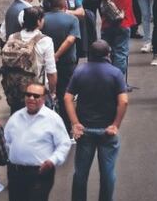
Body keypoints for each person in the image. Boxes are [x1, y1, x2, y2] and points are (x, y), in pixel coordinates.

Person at [64, 41, 129, 201]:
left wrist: (75, 123)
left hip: (85, 130)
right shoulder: (115, 73)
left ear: (90, 55)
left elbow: (67, 98)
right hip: (107, 130)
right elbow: (123, 101)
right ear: (108, 54)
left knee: (81, 173)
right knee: (107, 173)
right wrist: (115, 125)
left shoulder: (80, 71)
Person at [3, 82, 72, 200]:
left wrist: (52, 160)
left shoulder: (53, 119)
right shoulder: (15, 117)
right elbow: (6, 141)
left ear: (44, 98)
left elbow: (64, 144)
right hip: (16, 174)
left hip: (39, 174)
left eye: (36, 96)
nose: (31, 98)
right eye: (28, 94)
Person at [99, 0, 140, 82]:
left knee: (106, 52)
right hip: (123, 20)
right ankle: (119, 81)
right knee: (121, 53)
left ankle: (107, 79)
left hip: (107, 20)